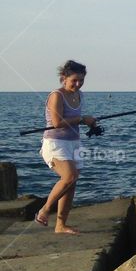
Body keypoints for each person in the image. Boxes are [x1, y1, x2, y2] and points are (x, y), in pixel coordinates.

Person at [35, 60, 98, 235]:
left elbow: (77, 121)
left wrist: (90, 124)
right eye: (74, 81)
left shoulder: (79, 95)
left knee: (72, 183)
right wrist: (81, 119)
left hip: (73, 142)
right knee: (69, 176)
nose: (78, 84)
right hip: (55, 143)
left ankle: (60, 225)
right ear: (64, 78)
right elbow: (57, 123)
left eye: (81, 81)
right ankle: (44, 211)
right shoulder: (57, 95)